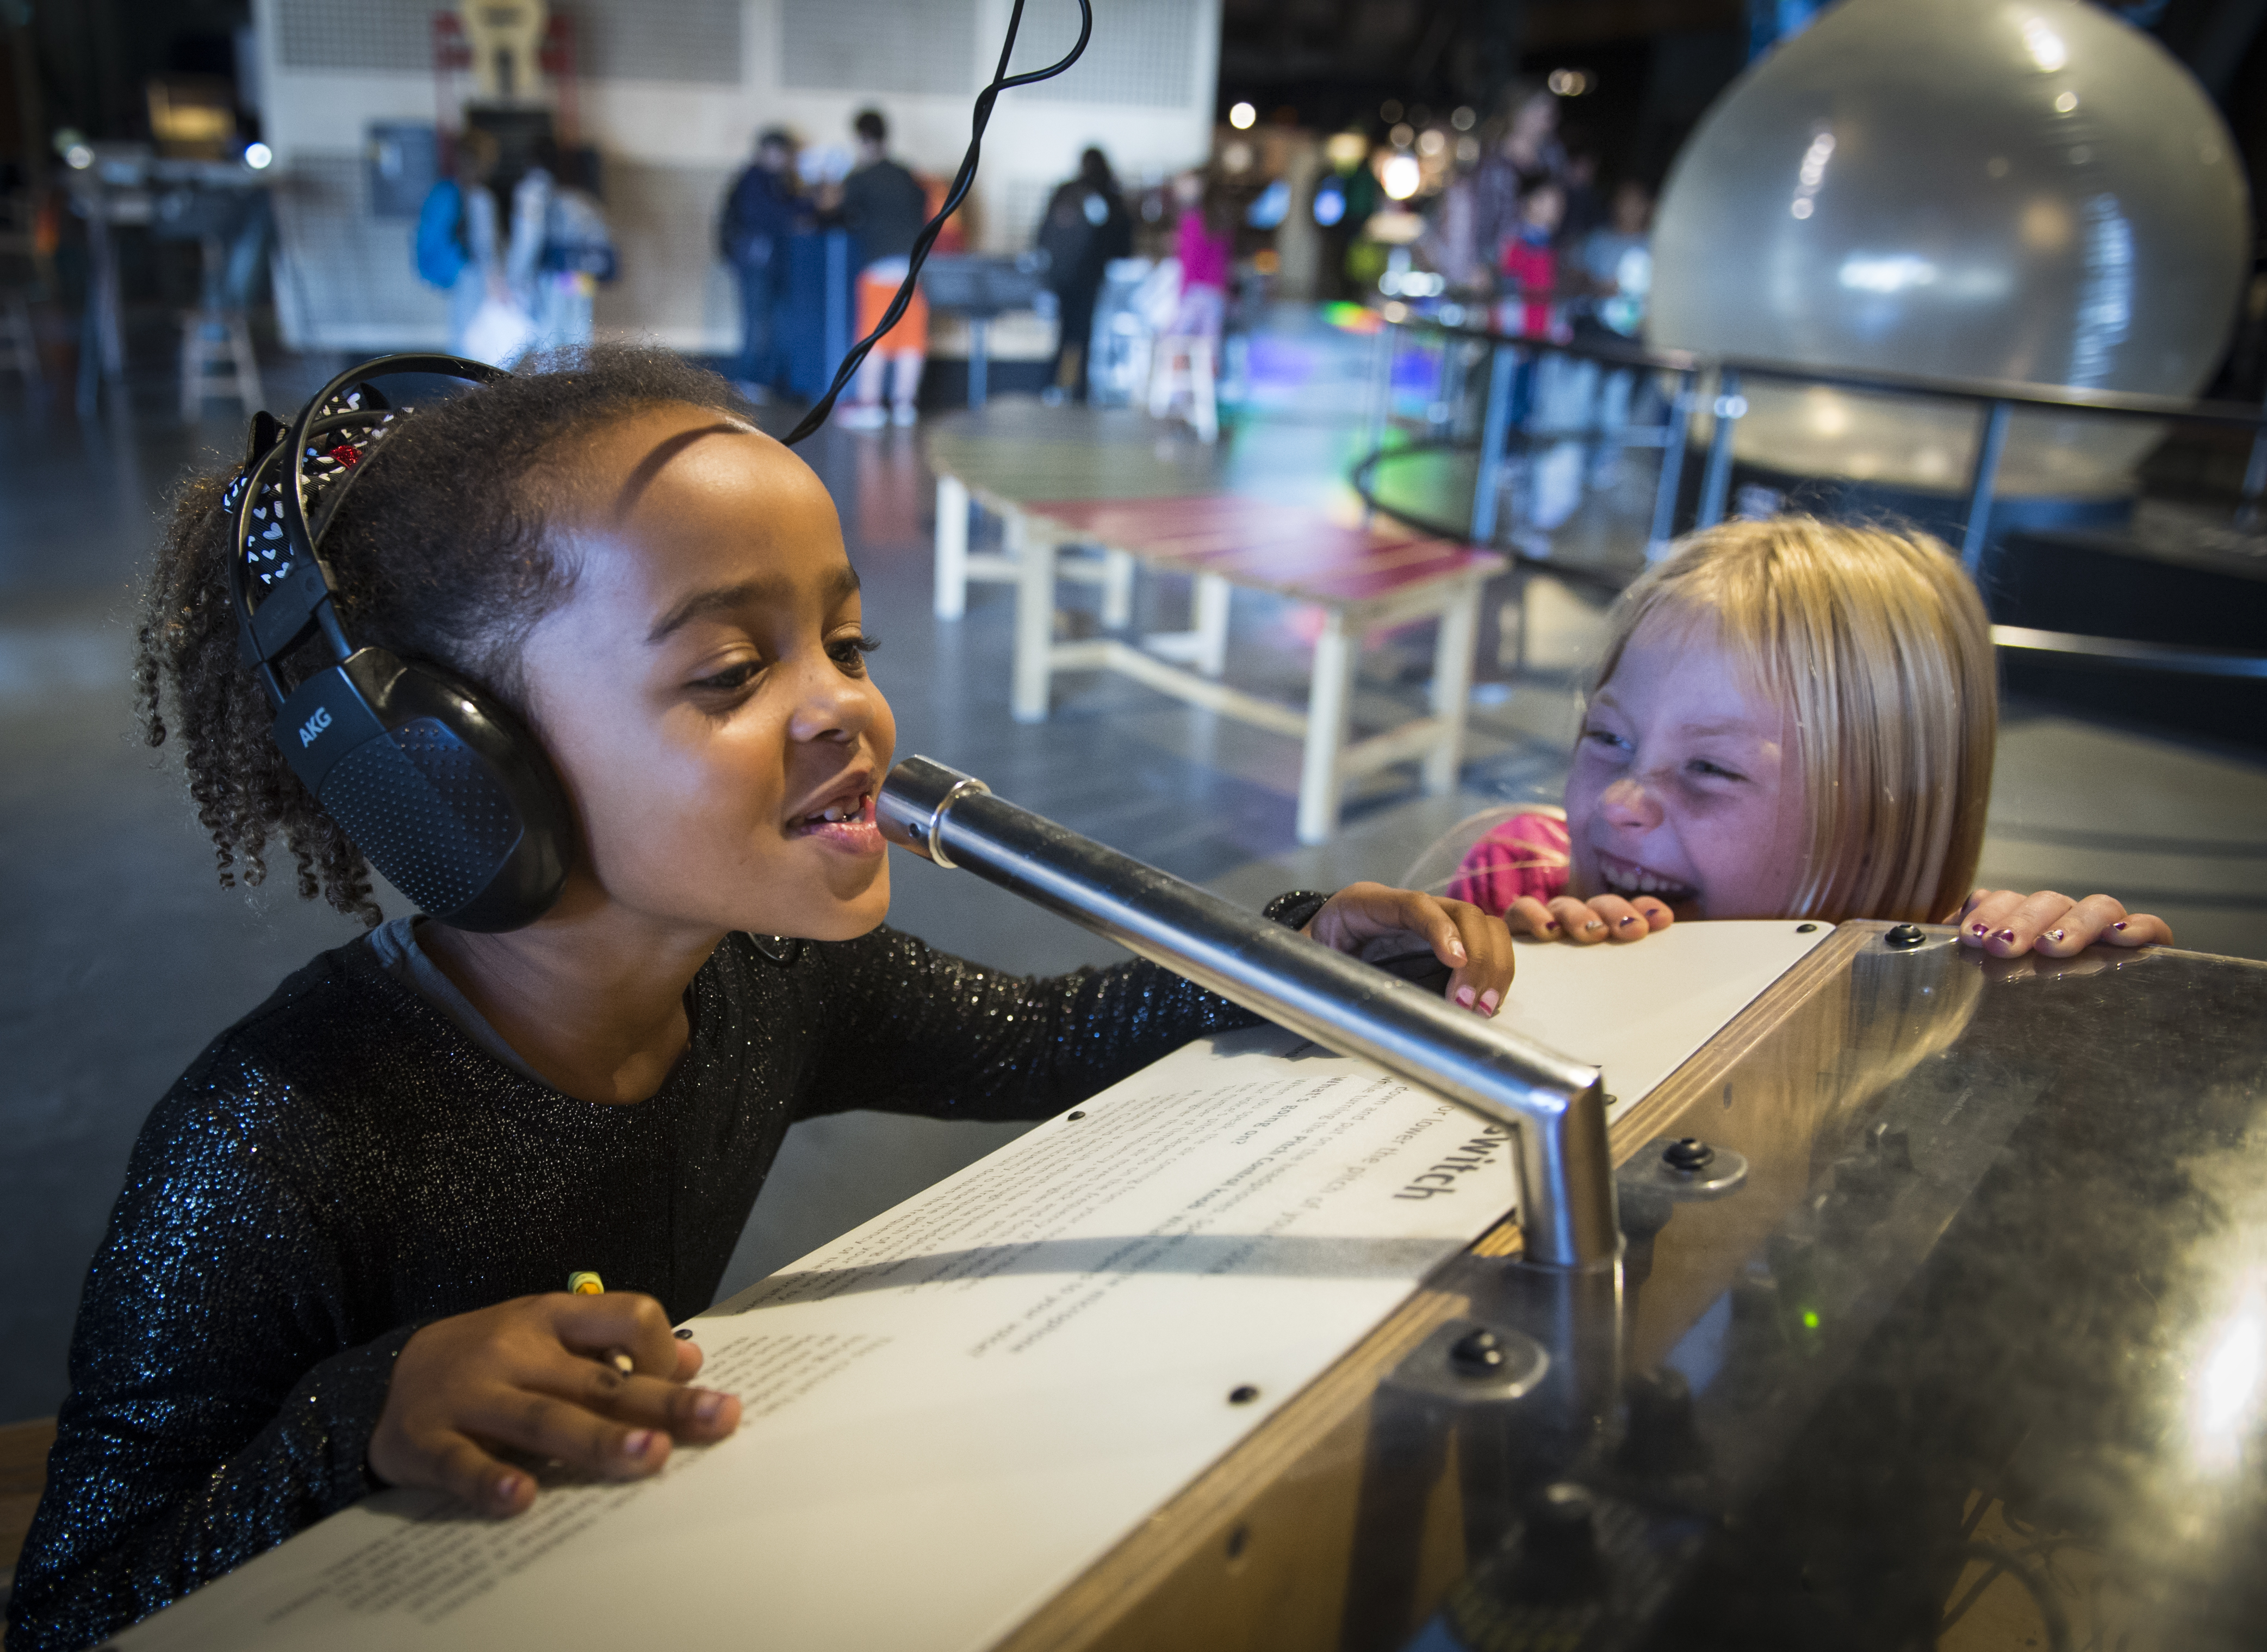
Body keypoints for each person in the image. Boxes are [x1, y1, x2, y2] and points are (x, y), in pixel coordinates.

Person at [8, 344, 1518, 1652]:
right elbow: (75, 1608)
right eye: (731, 669)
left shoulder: (772, 980)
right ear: (446, 770)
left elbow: (1046, 1037)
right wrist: (361, 1421)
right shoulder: (265, 1142)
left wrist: (1298, 938)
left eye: (845, 642)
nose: (845, 704)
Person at [1440, 518, 2172, 958]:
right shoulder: (1517, 878)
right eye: (1607, 735)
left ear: (1878, 818)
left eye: (1709, 767)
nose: (1623, 802)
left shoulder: (1956, 966)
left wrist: (2067, 997)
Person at [827, 108, 930, 428]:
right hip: (914, 268)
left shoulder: (859, 177)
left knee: (875, 338)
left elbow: (837, 213)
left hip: (879, 267)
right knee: (911, 340)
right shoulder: (907, 175)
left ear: (862, 138)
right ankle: (904, 407)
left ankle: (870, 406)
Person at [1036, 147, 1132, 403]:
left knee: (1063, 333)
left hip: (1063, 277)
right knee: (1088, 335)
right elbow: (1123, 243)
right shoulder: (1111, 195)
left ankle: (1052, 386)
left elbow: (1044, 234)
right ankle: (1081, 390)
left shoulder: (1066, 192)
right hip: (1094, 278)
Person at [719, 128, 804, 401]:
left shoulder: (783, 182)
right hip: (757, 263)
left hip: (773, 265)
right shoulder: (753, 180)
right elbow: (770, 216)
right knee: (757, 322)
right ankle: (749, 380)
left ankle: (766, 381)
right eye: (779, 153)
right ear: (765, 152)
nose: (783, 159)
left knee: (776, 323)